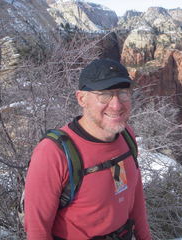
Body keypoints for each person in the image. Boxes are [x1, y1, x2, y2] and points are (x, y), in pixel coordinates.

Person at [24, 58, 152, 240]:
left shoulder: (126, 136)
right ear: (82, 98)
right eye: (104, 95)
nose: (116, 105)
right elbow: (37, 231)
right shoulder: (53, 153)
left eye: (123, 93)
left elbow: (133, 192)